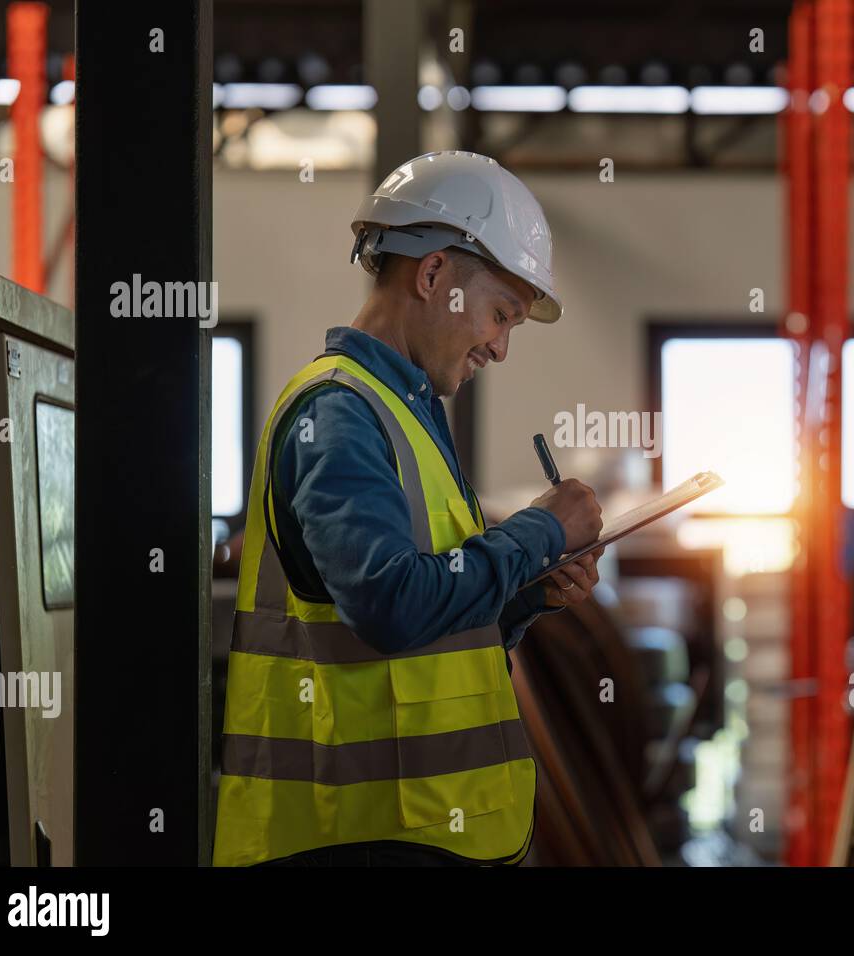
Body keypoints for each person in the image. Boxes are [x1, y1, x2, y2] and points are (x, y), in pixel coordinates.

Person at [213, 150, 604, 867]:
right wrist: (543, 528)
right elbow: (390, 605)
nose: (501, 348)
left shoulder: (406, 413)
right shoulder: (341, 414)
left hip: (415, 831)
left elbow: (424, 627)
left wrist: (523, 594)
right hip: (353, 835)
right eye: (500, 314)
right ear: (432, 276)